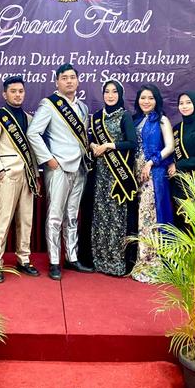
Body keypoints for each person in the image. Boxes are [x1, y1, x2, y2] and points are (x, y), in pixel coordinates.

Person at [27, 63, 94, 281]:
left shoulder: (82, 107)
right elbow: (33, 133)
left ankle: (71, 257)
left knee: (72, 215)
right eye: (64, 78)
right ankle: (54, 261)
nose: (69, 81)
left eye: (72, 77)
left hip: (80, 167)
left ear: (78, 81)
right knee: (55, 216)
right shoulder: (49, 105)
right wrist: (48, 159)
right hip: (58, 167)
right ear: (57, 82)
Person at [0, 76, 41, 283]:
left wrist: (35, 174)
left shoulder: (29, 118)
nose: (17, 95)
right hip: (7, 174)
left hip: (28, 175)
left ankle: (23, 259)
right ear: (4, 94)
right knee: (4, 219)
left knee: (26, 219)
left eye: (20, 91)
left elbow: (32, 150)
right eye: (13, 91)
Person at [88, 80, 137, 276]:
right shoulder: (97, 117)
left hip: (118, 176)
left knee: (116, 216)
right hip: (100, 173)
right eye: (107, 92)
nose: (110, 95)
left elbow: (131, 143)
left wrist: (109, 146)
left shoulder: (125, 116)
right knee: (100, 216)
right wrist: (93, 146)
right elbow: (91, 139)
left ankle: (116, 263)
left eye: (114, 92)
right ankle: (99, 260)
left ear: (120, 94)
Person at [130, 84, 174, 283]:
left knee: (151, 216)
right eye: (143, 98)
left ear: (156, 100)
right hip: (135, 175)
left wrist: (151, 162)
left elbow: (170, 147)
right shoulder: (135, 120)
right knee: (140, 217)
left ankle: (154, 263)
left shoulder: (162, 120)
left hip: (153, 174)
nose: (146, 101)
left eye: (150, 98)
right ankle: (141, 260)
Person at [168, 91, 195, 228]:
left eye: (188, 102)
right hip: (178, 181)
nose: (184, 106)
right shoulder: (177, 128)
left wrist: (178, 165)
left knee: (193, 222)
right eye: (181, 103)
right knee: (179, 221)